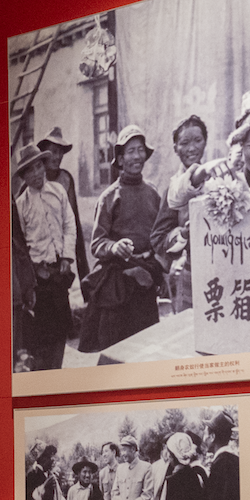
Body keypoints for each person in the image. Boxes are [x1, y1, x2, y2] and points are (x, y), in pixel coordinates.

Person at [79, 125, 164, 353]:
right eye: (131, 151)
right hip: (117, 283)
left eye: (140, 150)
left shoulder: (153, 193)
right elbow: (97, 243)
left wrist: (159, 265)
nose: (137, 156)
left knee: (146, 348)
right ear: (120, 158)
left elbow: (159, 236)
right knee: (116, 350)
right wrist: (115, 247)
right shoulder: (109, 197)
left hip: (145, 280)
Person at [12, 146, 75, 371]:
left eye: (39, 166)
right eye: (30, 170)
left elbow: (69, 225)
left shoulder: (58, 191)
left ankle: (56, 368)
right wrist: (31, 273)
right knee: (41, 331)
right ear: (24, 177)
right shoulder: (21, 205)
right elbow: (20, 244)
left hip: (59, 271)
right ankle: (43, 373)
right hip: (38, 278)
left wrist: (67, 257)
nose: (37, 173)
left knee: (61, 327)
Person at [151, 115, 212, 311]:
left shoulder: (216, 178)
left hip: (223, 269)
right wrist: (182, 234)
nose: (192, 148)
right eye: (184, 143)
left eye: (197, 140)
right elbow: (158, 239)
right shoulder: (174, 190)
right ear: (176, 148)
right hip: (192, 272)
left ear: (205, 142)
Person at [35, 126, 90, 280]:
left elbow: (72, 221)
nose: (57, 157)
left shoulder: (66, 179)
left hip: (62, 247)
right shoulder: (34, 178)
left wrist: (71, 257)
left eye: (60, 152)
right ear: (44, 153)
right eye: (53, 151)